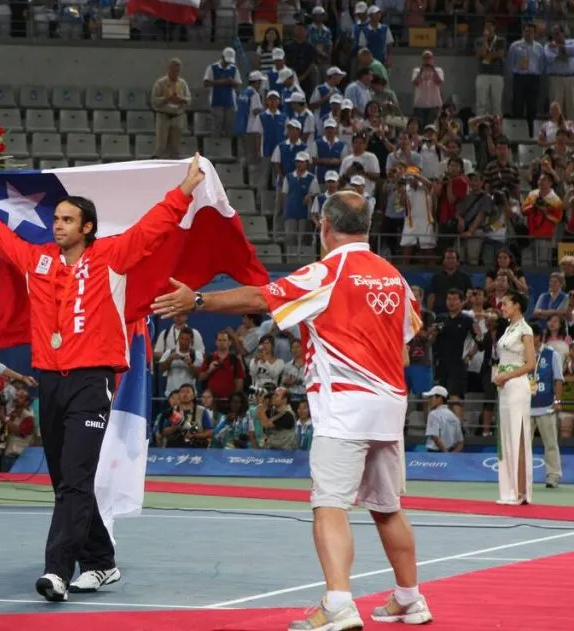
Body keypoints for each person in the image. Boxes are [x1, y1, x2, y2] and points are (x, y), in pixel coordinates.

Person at [151, 190, 433, 630]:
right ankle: (410, 599)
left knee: (329, 505)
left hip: (345, 406)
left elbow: (261, 298)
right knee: (387, 506)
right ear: (368, 226)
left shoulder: (327, 272)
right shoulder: (394, 278)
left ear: (324, 226)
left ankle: (339, 603)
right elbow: (404, 341)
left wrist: (199, 302)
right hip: (390, 405)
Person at [0, 154, 205, 603]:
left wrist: (186, 188)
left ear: (88, 228)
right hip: (49, 383)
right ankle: (101, 562)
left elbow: (151, 230)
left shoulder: (112, 257)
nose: (57, 225)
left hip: (91, 382)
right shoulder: (36, 260)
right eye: (55, 218)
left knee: (75, 478)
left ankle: (56, 571)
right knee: (65, 480)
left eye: (68, 220)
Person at [492, 291, 536, 506]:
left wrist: (506, 375)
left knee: (518, 435)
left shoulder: (525, 330)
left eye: (506, 303)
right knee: (507, 436)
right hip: (505, 385)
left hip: (517, 385)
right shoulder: (508, 328)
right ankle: (510, 490)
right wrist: (499, 376)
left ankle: (521, 492)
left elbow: (530, 364)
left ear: (517, 306)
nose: (502, 306)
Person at [529, 323, 564, 489]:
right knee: (523, 446)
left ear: (537, 337)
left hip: (546, 406)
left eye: (530, 336)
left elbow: (558, 379)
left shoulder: (551, 354)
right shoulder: (522, 355)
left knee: (550, 443)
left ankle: (553, 476)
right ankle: (523, 477)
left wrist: (557, 401)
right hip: (525, 407)